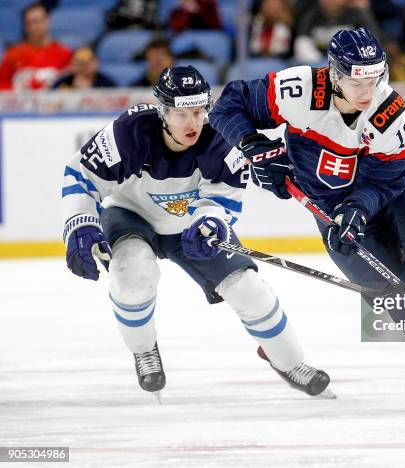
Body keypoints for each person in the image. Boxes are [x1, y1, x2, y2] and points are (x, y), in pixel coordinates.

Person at [209, 28, 405, 409]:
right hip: (331, 210)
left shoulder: (392, 113)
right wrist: (252, 143)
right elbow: (228, 105)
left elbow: (386, 180)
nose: (367, 90)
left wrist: (358, 207)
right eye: (357, 80)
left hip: (396, 192)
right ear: (334, 74)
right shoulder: (298, 89)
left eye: (374, 77)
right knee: (402, 300)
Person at [61, 65, 330, 398]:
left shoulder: (220, 135)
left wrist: (211, 221)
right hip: (131, 216)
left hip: (192, 226)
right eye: (182, 114)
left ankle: (289, 362)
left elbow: (223, 195)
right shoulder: (128, 133)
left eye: (199, 111)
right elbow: (80, 176)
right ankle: (144, 349)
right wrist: (79, 221)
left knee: (248, 289)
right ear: (162, 112)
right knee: (131, 271)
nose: (194, 122)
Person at [0, 2, 71, 90]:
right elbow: (2, 84)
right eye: (29, 23)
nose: (33, 27)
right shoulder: (13, 54)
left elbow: (69, 85)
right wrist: (18, 88)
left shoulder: (65, 53)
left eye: (37, 22)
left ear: (48, 20)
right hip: (20, 101)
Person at [293, 0, 381, 64]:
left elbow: (371, 42)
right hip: (317, 62)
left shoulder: (358, 15)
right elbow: (302, 43)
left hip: (352, 61)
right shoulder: (311, 15)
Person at [52, 46, 116, 89]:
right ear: (72, 64)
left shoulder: (106, 83)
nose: (83, 67)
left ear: (96, 63)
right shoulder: (63, 83)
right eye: (79, 63)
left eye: (87, 63)